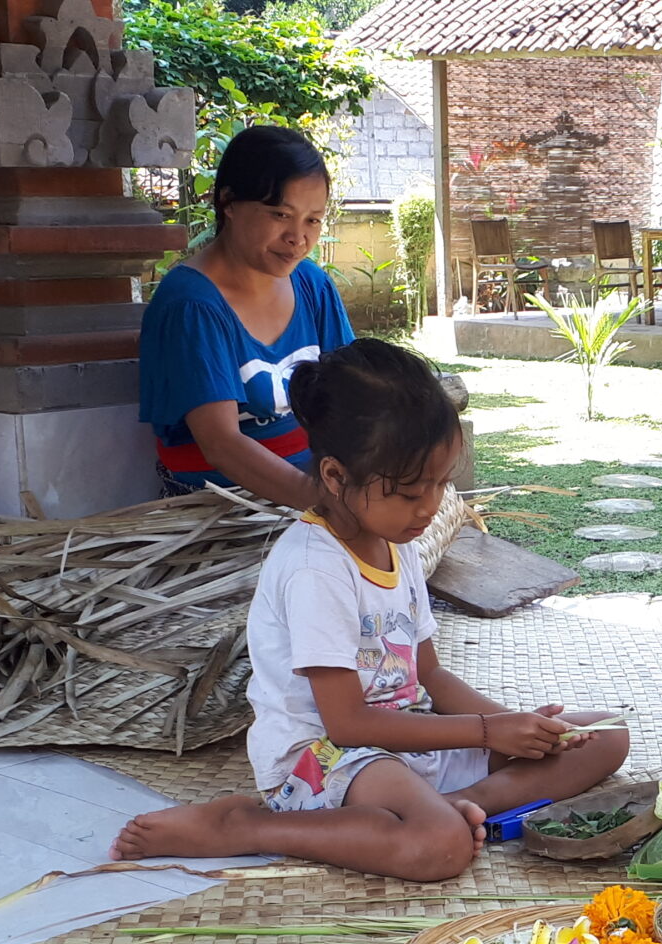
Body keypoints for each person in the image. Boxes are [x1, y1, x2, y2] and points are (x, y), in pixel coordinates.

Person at [113, 339, 630, 881]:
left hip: (404, 737)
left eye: (441, 485)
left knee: (607, 734)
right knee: (439, 848)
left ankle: (460, 801)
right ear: (336, 477)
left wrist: (512, 725)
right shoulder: (317, 568)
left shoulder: (397, 540)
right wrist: (485, 732)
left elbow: (427, 671)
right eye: (410, 493)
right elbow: (348, 723)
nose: (430, 507)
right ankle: (247, 825)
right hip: (327, 756)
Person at [139, 125, 358, 507]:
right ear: (228, 203)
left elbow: (353, 394)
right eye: (280, 214)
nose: (298, 237)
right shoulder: (191, 306)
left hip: (315, 494)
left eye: (313, 220)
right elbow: (222, 446)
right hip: (222, 510)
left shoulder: (312, 285)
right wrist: (330, 507)